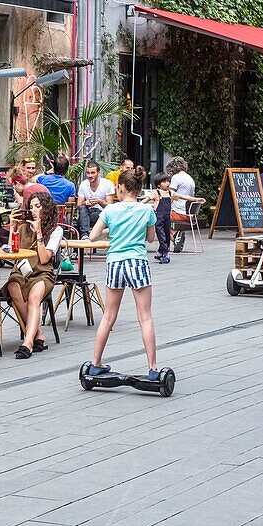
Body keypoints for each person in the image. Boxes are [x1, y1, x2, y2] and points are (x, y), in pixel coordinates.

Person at [86, 167, 161, 380]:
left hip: (115, 263)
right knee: (145, 317)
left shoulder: (110, 210)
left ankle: (96, 362)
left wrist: (113, 230)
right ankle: (153, 367)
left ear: (121, 187)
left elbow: (92, 236)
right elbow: (150, 239)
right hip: (137, 262)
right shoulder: (146, 211)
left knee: (108, 316)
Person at [5, 192, 64, 360]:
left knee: (34, 298)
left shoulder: (55, 230)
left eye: (38, 206)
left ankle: (28, 342)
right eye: (31, 207)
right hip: (21, 272)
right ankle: (38, 333)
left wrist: (38, 232)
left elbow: (45, 258)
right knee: (12, 286)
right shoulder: (23, 227)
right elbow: (11, 251)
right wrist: (12, 227)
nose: (34, 210)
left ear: (47, 208)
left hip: (42, 273)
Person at [146, 172, 202, 264]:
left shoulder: (171, 193)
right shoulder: (156, 193)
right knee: (161, 236)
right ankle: (165, 254)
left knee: (167, 235)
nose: (167, 183)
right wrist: (136, 205)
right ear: (158, 185)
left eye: (168, 181)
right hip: (158, 218)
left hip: (167, 217)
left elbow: (184, 197)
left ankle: (160, 252)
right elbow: (146, 199)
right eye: (164, 181)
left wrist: (197, 199)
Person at [76, 161, 115, 236]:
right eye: (88, 173)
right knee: (83, 209)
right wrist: (86, 203)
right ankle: (85, 235)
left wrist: (99, 201)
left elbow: (110, 207)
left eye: (93, 173)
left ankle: (84, 235)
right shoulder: (83, 184)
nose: (90, 175)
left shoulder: (107, 184)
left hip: (101, 214)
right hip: (87, 213)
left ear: (98, 172)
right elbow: (79, 204)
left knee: (81, 221)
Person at [167, 157, 197, 250]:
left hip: (177, 213)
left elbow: (170, 195)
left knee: (157, 218)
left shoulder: (176, 177)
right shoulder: (190, 179)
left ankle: (175, 236)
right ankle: (176, 235)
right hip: (189, 214)